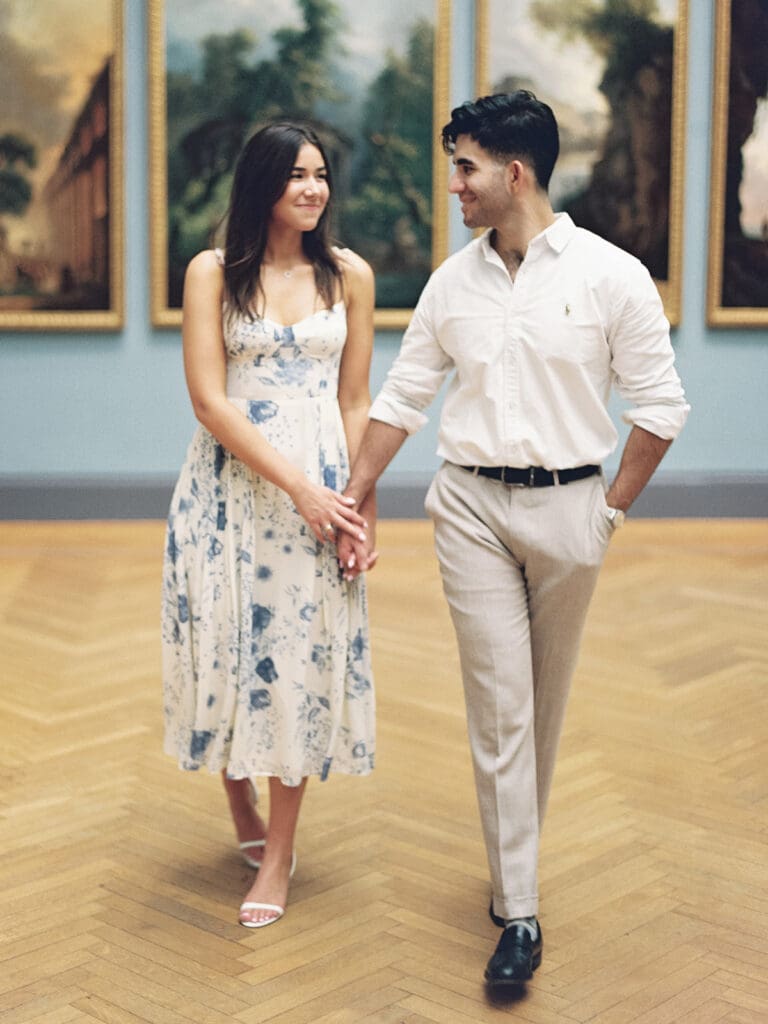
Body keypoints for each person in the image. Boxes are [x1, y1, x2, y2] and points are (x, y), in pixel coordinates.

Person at [337, 92, 690, 985]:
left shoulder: (611, 276)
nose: (453, 185)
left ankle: (514, 870)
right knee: (501, 705)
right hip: (471, 512)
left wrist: (608, 512)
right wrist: (349, 495)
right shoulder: (453, 284)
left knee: (543, 707)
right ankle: (520, 912)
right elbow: (403, 397)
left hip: (573, 511)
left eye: (464, 167)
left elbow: (660, 408)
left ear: (514, 172)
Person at [161, 121, 376, 929]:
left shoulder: (350, 274)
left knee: (297, 660)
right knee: (223, 646)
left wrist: (358, 508)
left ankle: (280, 851)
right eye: (296, 176)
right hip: (228, 493)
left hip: (322, 496)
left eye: (321, 173)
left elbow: (355, 401)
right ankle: (236, 793)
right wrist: (298, 488)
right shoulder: (214, 273)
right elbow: (209, 401)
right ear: (262, 185)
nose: (314, 189)